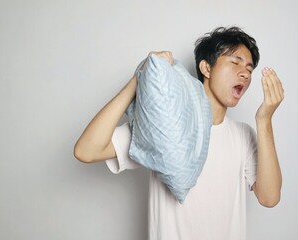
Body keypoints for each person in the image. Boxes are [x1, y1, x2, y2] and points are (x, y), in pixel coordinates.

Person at [74, 26, 284, 240]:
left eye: (249, 68)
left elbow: (269, 197)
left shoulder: (243, 135)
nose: (245, 73)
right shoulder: (163, 127)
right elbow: (86, 150)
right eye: (235, 62)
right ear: (206, 68)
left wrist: (264, 120)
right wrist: (138, 79)